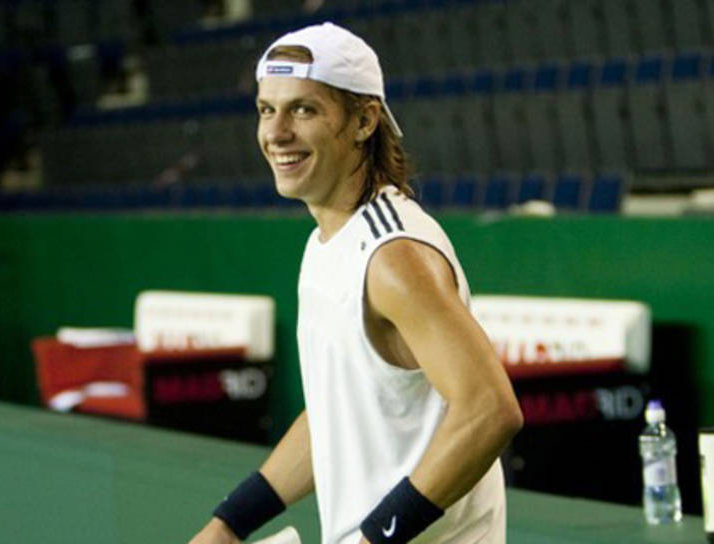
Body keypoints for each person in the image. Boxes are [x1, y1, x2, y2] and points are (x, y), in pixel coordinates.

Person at [189, 22, 523, 544]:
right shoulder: (327, 243)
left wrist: (374, 539)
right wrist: (229, 524)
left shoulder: (393, 257)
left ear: (365, 120)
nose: (276, 133)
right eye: (266, 109)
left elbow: (489, 410)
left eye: (304, 110)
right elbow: (338, 413)